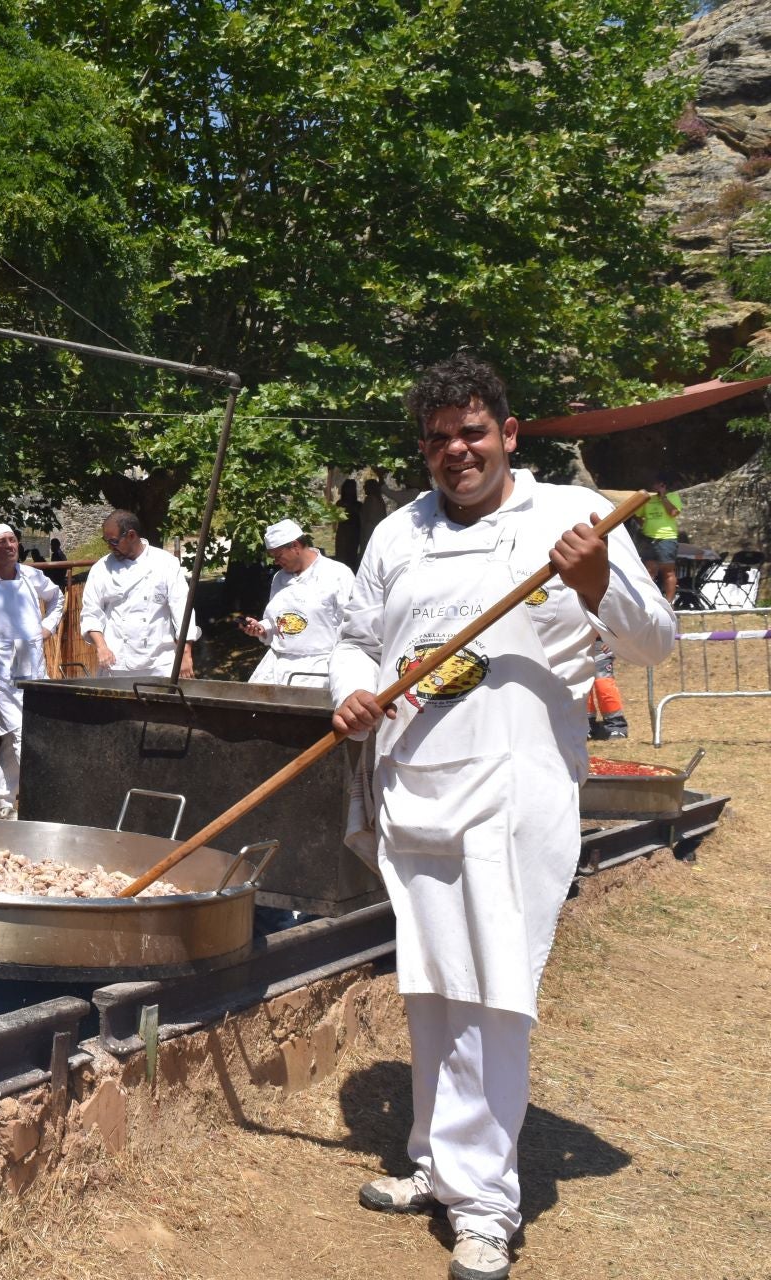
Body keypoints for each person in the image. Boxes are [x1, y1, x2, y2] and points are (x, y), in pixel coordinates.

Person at [331, 354, 674, 1280]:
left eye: (473, 432)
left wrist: (597, 579)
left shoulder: (574, 516)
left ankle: (485, 1203)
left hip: (513, 791)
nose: (457, 450)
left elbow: (655, 643)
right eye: (439, 438)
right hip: (414, 786)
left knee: (494, 993)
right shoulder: (398, 532)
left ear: (509, 434)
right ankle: (438, 1162)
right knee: (432, 983)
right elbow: (358, 639)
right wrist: (351, 692)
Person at [0, 523, 63, 818]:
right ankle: (42, 802)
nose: (9, 545)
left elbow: (57, 597)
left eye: (12, 540)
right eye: (1, 542)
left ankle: (3, 803)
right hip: (0, 669)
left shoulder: (32, 576)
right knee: (22, 731)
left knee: (15, 733)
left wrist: (47, 627)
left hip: (33, 666)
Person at [78, 511, 198, 678]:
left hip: (161, 663)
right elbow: (91, 613)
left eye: (114, 541)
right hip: (117, 663)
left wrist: (185, 653)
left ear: (131, 535)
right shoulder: (101, 569)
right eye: (106, 541)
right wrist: (101, 647)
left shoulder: (165, 563)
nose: (109, 547)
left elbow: (182, 610)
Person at [240, 519, 356, 686]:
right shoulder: (279, 578)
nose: (276, 562)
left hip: (317, 668)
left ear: (295, 546)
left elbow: (351, 626)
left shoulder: (338, 574)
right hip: (275, 665)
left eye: (278, 556)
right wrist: (262, 628)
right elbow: (277, 620)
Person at [634, 474, 683, 603]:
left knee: (667, 571)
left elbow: (673, 512)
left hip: (666, 538)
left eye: (657, 484)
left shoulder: (673, 497)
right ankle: (648, 600)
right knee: (648, 571)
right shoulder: (649, 499)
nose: (653, 486)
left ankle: (669, 602)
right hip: (649, 538)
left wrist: (663, 497)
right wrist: (644, 525)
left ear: (663, 485)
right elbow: (637, 514)